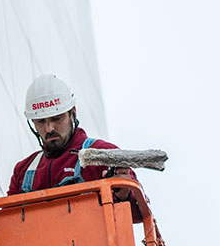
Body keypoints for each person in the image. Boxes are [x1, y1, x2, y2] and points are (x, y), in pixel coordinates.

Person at [7, 74, 135, 195]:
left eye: (57, 118)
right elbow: (7, 218)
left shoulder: (104, 154)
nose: (49, 128)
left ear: (73, 113)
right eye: (41, 122)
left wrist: (125, 193)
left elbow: (138, 213)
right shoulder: (22, 171)